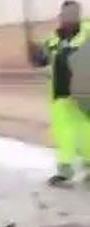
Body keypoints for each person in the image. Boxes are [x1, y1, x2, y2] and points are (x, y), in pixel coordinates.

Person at [32, 1, 90, 185]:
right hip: (60, 95)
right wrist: (35, 55)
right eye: (65, 14)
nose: (68, 18)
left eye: (72, 14)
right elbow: (41, 60)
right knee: (63, 133)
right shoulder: (53, 40)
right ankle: (65, 171)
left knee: (86, 130)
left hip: (84, 93)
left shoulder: (88, 33)